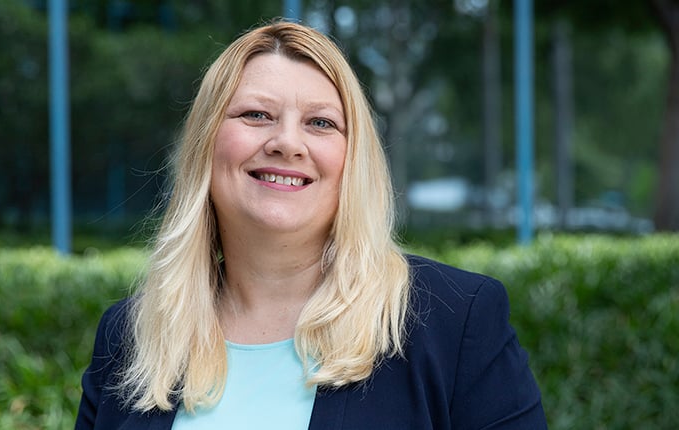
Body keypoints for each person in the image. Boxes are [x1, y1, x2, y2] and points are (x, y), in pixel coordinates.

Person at [75, 20, 547, 429]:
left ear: (352, 160)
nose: (287, 142)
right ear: (205, 145)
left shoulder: (455, 321)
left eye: (321, 123)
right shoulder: (131, 335)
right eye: (256, 115)